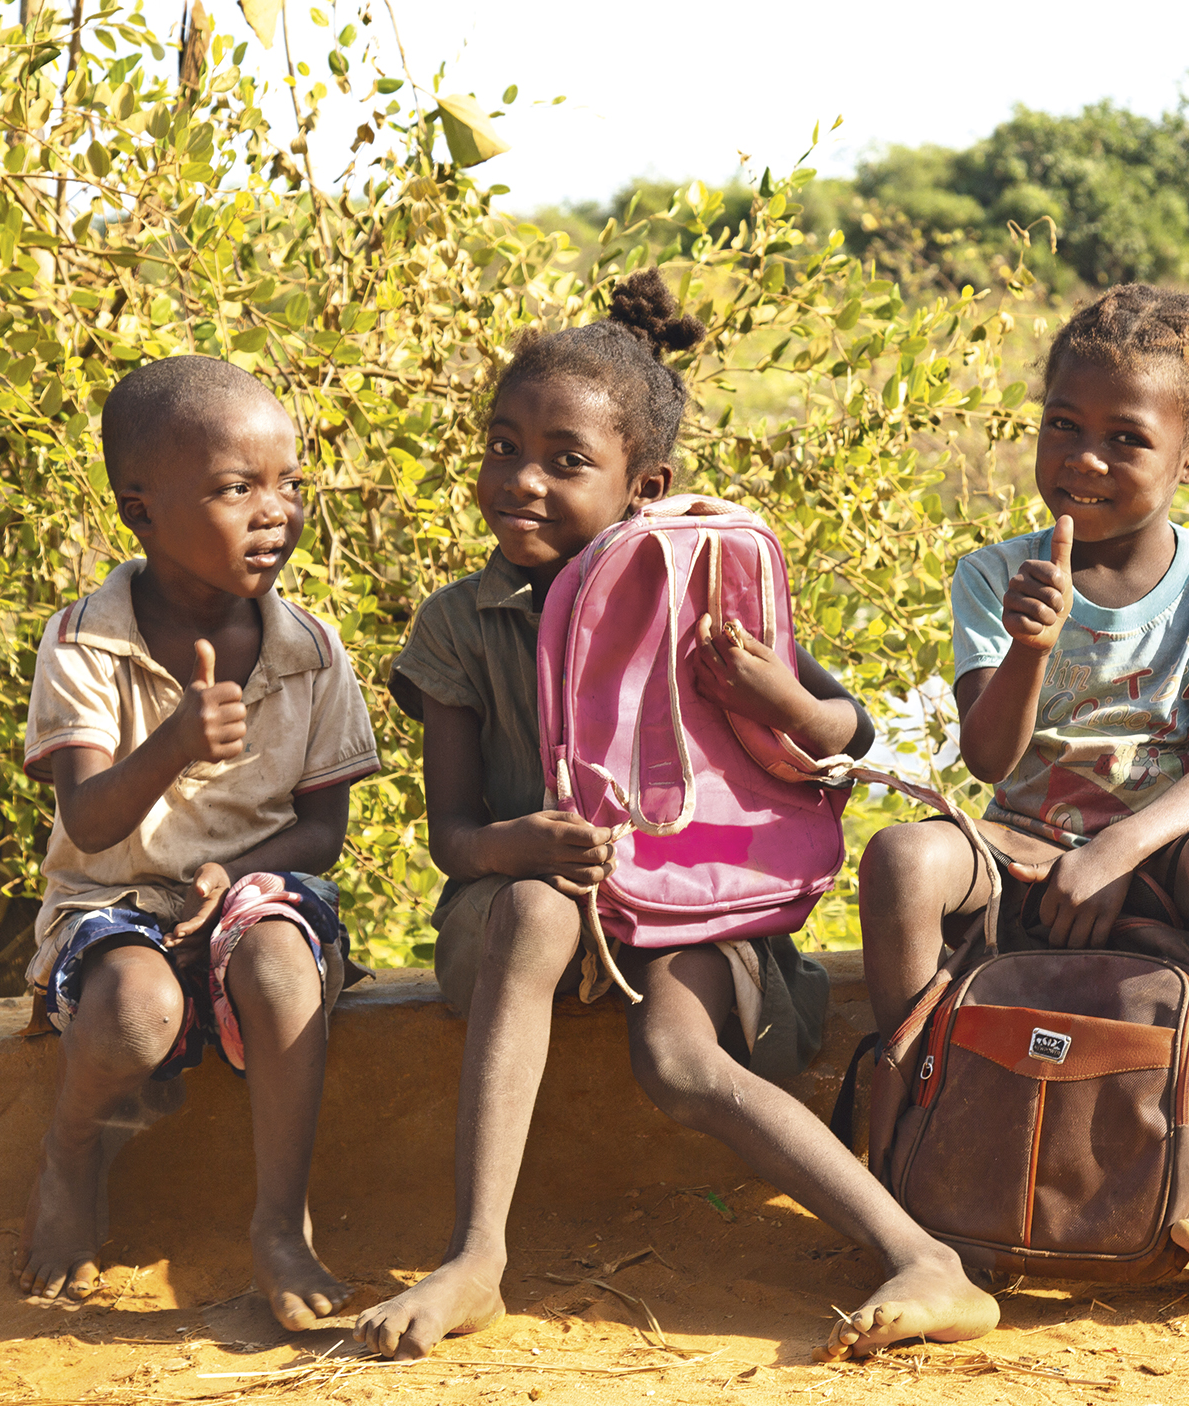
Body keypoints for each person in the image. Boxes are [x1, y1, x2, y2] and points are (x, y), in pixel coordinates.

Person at [357, 271, 998, 1363]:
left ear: (644, 483)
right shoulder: (459, 625)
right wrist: (531, 843)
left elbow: (845, 735)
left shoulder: (701, 592)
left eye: (567, 461)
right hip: (528, 928)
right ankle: (477, 1255)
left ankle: (923, 1256)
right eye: (502, 445)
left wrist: (774, 695)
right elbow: (455, 838)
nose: (520, 479)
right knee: (534, 906)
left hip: (697, 919)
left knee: (675, 1052)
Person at [854, 284, 1189, 1290]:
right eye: (1062, 424)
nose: (1082, 459)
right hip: (1017, 849)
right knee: (901, 854)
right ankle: (903, 1162)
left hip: (1157, 864)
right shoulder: (995, 574)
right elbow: (988, 759)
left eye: (1124, 438)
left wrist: (1117, 849)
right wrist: (1029, 645)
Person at [15, 356, 380, 1332]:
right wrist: (173, 744)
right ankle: (72, 1149)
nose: (275, 511)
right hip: (111, 903)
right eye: (235, 487)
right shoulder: (85, 642)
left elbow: (324, 830)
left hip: (258, 896)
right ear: (139, 511)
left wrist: (241, 875)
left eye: (288, 483)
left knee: (274, 958)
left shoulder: (309, 647)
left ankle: (279, 1219)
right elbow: (88, 820)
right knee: (134, 1009)